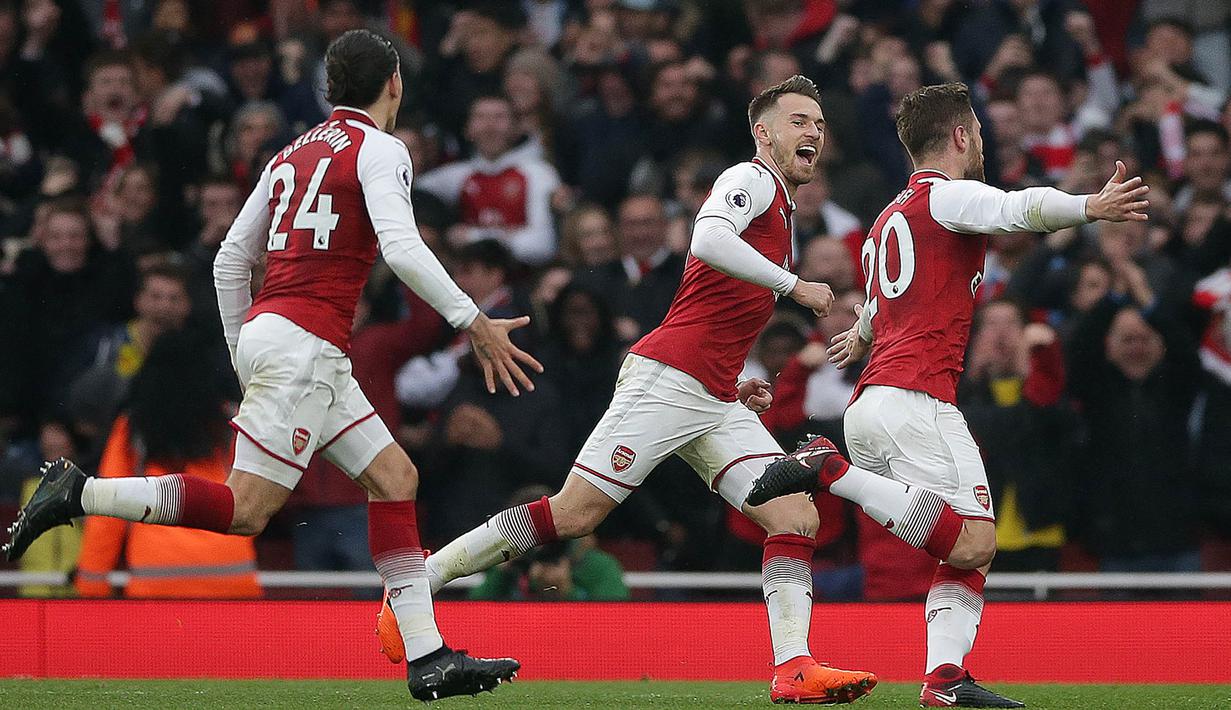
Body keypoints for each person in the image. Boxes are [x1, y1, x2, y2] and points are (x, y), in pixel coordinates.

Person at [4, 29, 542, 702]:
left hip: (283, 336)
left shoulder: (289, 152)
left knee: (394, 477)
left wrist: (244, 353)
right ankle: (80, 493)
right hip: (306, 345)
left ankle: (427, 656)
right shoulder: (382, 148)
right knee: (246, 511)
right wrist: (473, 320)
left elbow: (231, 259)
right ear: (394, 84)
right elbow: (401, 248)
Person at [389, 75, 879, 705]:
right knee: (575, 513)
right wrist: (794, 286)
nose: (813, 130)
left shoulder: (782, 212)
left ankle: (793, 668)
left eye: (818, 121)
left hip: (710, 394)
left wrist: (733, 382)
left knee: (793, 513)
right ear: (764, 134)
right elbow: (705, 238)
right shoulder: (751, 178)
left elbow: (709, 302)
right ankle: (416, 584)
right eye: (798, 121)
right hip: (667, 380)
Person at [746, 82, 1150, 708]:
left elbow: (883, 303)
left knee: (966, 550)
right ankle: (827, 469)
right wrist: (1089, 206)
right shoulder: (948, 196)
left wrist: (858, 334)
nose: (982, 142)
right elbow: (1018, 210)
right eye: (979, 133)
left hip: (874, 402)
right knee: (974, 541)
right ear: (961, 136)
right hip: (916, 401)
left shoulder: (887, 217)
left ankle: (945, 680)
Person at [74, 330, 261, 599]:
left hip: (156, 580)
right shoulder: (233, 424)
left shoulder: (133, 431)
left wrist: (91, 584)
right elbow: (257, 498)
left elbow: (106, 508)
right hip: (232, 576)